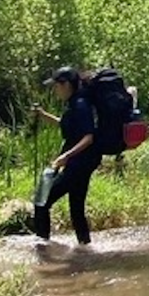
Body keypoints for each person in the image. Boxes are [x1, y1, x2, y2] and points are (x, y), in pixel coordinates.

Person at [31, 66, 102, 245]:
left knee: (42, 202)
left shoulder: (80, 105)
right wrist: (43, 115)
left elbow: (88, 137)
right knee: (76, 209)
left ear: (66, 85)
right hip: (82, 162)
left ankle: (42, 248)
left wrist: (66, 157)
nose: (54, 90)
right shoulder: (75, 103)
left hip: (79, 163)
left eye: (56, 86)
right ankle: (85, 248)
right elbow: (65, 125)